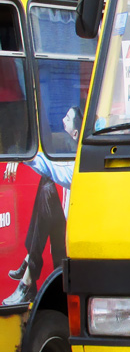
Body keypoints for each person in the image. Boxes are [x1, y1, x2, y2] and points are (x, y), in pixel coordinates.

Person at [2, 107, 79, 306]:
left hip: (75, 227)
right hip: (64, 221)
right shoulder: (66, 145)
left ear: (75, 133)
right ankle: (29, 264)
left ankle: (28, 276)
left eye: (68, 118)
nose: (62, 119)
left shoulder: (79, 158)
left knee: (48, 188)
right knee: (47, 184)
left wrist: (23, 156)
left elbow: (53, 169)